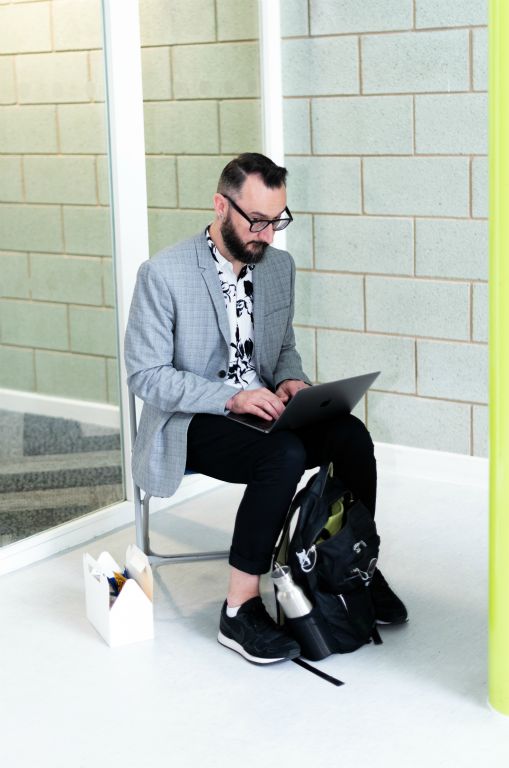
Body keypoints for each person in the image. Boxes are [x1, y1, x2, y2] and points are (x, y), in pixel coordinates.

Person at [125, 152, 407, 665]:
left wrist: (291, 381)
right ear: (220, 205)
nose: (268, 235)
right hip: (194, 419)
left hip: (266, 410)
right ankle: (239, 608)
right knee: (283, 454)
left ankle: (353, 561)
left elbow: (282, 348)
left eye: (277, 221)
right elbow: (147, 376)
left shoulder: (278, 267)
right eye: (257, 221)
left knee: (350, 435)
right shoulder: (163, 274)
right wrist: (231, 396)